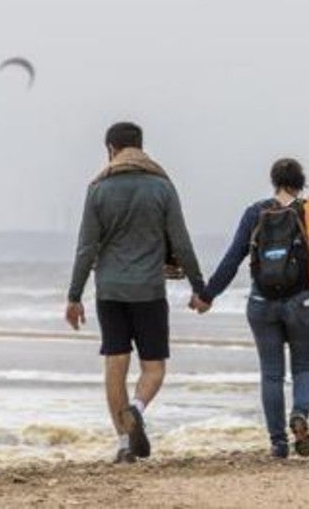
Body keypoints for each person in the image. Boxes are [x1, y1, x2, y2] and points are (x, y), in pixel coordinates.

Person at [65, 122, 206, 463]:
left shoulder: (98, 188)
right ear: (140, 147)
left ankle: (125, 444)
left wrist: (74, 296)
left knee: (115, 365)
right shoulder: (162, 187)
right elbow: (182, 242)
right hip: (149, 291)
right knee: (153, 367)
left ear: (111, 149)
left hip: (110, 291)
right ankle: (137, 408)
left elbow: (86, 247)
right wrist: (200, 287)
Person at [191, 158, 309, 459]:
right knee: (304, 367)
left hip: (261, 304)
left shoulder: (255, 213)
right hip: (303, 303)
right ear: (301, 182)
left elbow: (232, 258)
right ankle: (300, 414)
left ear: (274, 181)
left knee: (271, 375)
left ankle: (278, 443)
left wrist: (207, 295)